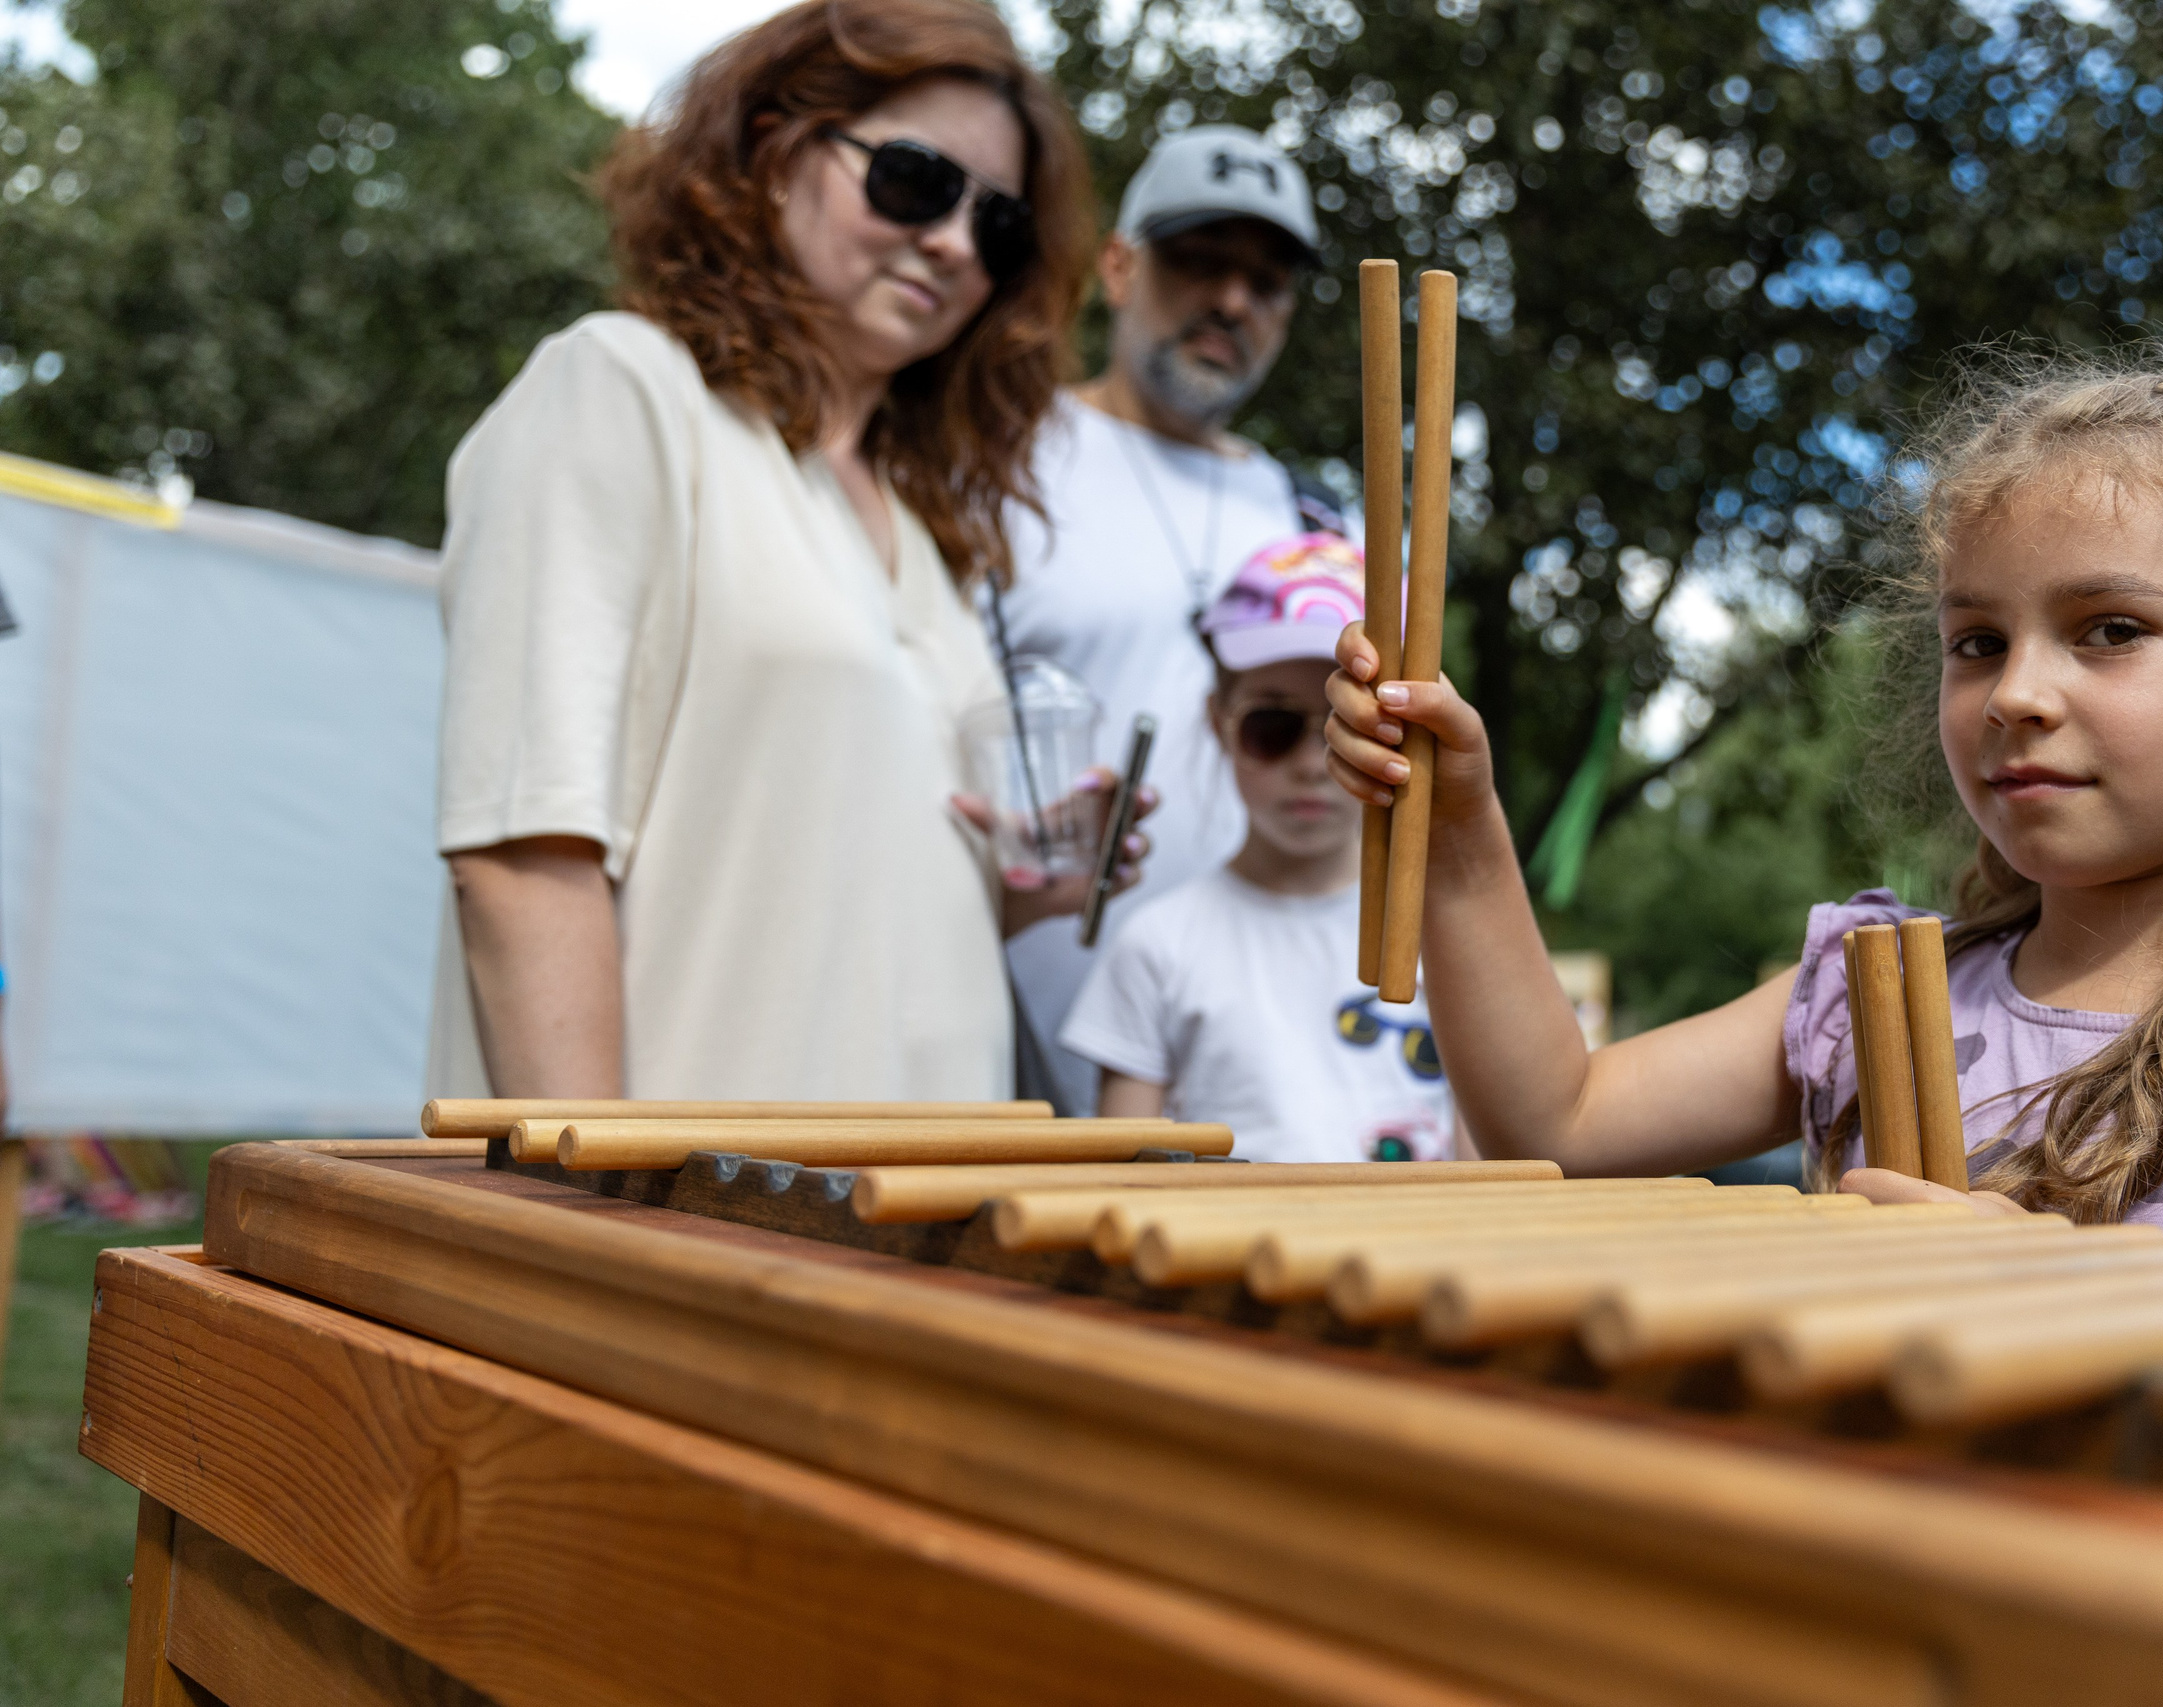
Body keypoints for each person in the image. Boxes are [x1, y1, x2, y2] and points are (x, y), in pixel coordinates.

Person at [1324, 351, 2163, 1255]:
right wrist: (1462, 835)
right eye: (1976, 642)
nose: (2016, 692)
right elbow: (1557, 1118)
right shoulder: (1864, 995)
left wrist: (2058, 1303)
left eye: (2109, 631)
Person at [427, 0, 1134, 1101]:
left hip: (915, 1227)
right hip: (688, 1236)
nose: (951, 240)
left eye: (996, 227)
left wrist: (1019, 881)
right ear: (773, 153)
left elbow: (807, 890)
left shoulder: (928, 532)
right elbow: (523, 857)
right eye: (915, 180)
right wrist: (591, 1234)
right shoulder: (622, 390)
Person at [993, 123, 1325, 1110]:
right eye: (1199, 262)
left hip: (1262, 1082)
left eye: (1266, 283)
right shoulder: (997, 468)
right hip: (1008, 1078)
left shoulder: (1320, 525)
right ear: (1119, 267)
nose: (1231, 300)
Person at [1063, 537, 1456, 1162]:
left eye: (1349, 727)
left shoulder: (1452, 939)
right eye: (1272, 725)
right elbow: (1121, 1189)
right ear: (1220, 722)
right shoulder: (1157, 947)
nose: (1311, 764)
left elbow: (1493, 1166)